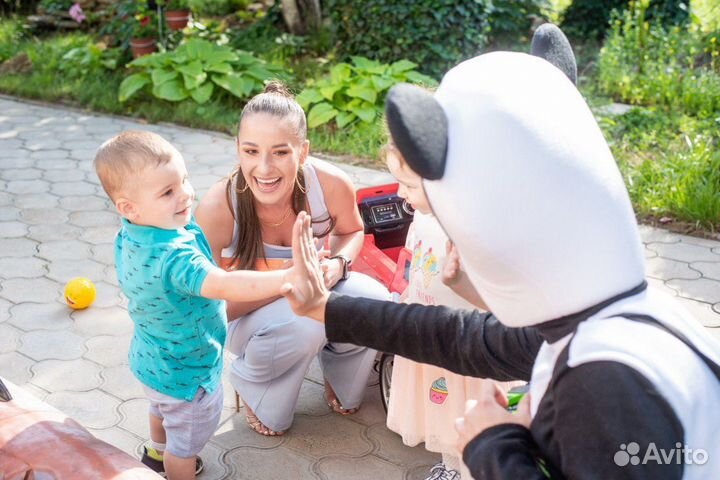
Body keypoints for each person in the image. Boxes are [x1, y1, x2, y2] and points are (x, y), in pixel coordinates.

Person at [280, 51, 720, 479]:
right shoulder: (616, 318)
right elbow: (461, 338)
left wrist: (492, 444)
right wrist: (325, 308)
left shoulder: (606, 386)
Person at [93, 130, 300, 480]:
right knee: (185, 445)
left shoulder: (131, 232)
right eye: (168, 192)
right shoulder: (175, 259)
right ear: (129, 207)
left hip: (151, 360)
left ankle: (156, 452)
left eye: (184, 180)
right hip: (188, 375)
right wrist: (290, 277)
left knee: (160, 409)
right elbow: (225, 284)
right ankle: (175, 467)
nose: (186, 194)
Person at [194, 82, 388, 437]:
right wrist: (290, 280)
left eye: (280, 152)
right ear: (237, 149)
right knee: (306, 323)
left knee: (376, 302)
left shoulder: (330, 184)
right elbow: (211, 311)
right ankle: (255, 386)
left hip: (313, 286)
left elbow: (352, 231)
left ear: (304, 151)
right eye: (251, 151)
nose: (264, 168)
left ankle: (342, 373)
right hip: (248, 317)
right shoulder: (218, 206)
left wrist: (338, 265)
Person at [383, 142, 519, 480]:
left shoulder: (473, 230)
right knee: (440, 411)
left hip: (467, 343)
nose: (400, 193)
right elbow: (412, 256)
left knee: (471, 410)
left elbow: (497, 299)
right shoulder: (423, 214)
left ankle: (476, 468)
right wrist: (403, 290)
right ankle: (450, 466)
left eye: (410, 185)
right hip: (430, 338)